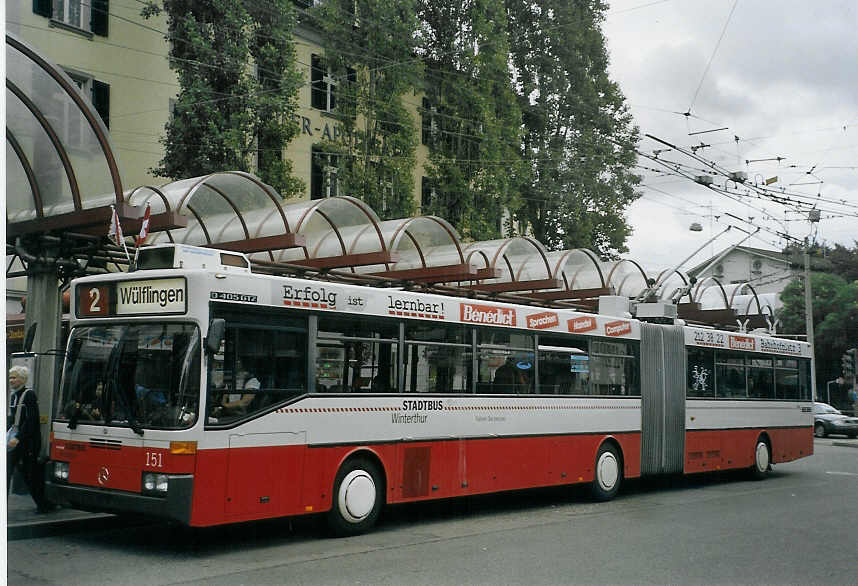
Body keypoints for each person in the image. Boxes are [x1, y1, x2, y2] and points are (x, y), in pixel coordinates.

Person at [7, 365, 54, 513]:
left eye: (14, 377)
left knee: (31, 475)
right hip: (17, 441)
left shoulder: (29, 395)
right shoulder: (14, 395)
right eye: (10, 377)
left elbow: (32, 420)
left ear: (23, 379)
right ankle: (44, 504)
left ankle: (44, 504)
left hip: (28, 443)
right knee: (8, 471)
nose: (11, 380)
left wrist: (18, 438)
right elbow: (13, 419)